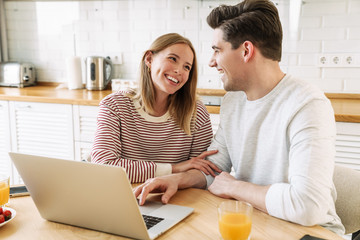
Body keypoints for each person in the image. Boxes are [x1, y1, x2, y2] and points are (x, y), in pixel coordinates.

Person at [134, 0, 345, 235]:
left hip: (311, 231)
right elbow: (214, 168)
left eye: (217, 50)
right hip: (257, 220)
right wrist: (177, 180)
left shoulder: (307, 105)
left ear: (246, 51)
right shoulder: (234, 101)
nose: (211, 62)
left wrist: (235, 187)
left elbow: (307, 207)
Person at [91, 33, 221, 183]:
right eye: (173, 59)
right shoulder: (114, 106)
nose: (179, 70)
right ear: (149, 59)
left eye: (187, 67)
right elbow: (105, 166)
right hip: (124, 197)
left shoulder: (196, 113)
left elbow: (202, 170)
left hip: (175, 198)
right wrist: (174, 168)